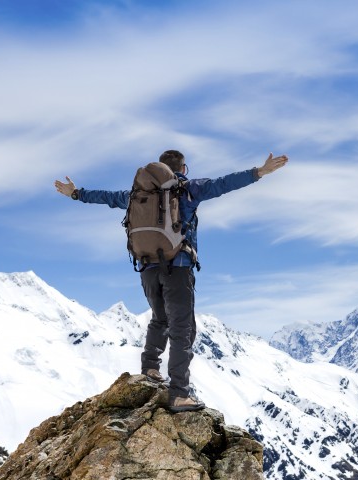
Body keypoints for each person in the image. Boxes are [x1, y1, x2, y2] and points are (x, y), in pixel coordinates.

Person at [55, 150, 288, 412]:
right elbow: (224, 183)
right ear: (183, 169)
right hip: (177, 268)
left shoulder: (138, 193)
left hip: (146, 267)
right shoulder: (187, 189)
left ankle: (150, 369)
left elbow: (107, 198)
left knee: (160, 318)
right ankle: (179, 394)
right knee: (182, 329)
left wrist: (76, 193)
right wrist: (260, 172)